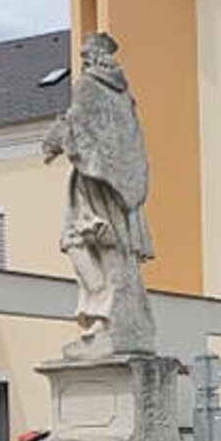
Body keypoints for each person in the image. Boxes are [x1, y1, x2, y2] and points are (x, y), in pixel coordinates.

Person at [42, 32, 156, 355]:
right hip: (114, 183)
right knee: (106, 248)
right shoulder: (123, 96)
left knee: (82, 241)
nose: (82, 61)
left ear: (91, 58)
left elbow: (79, 129)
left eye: (84, 56)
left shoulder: (88, 86)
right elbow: (127, 143)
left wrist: (56, 139)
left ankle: (105, 317)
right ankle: (109, 318)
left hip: (95, 181)